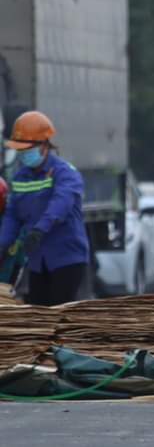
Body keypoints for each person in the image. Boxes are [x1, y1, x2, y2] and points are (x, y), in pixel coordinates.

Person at [0, 111, 89, 305]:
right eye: (20, 150)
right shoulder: (20, 177)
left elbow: (60, 204)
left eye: (27, 149)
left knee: (59, 311)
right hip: (38, 260)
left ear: (44, 146)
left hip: (66, 258)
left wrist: (40, 229)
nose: (23, 154)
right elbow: (12, 216)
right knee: (39, 312)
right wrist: (2, 244)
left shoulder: (65, 173)